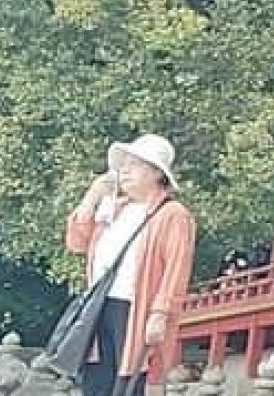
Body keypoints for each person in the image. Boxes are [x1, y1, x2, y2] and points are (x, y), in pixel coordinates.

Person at [65, 134, 197, 396]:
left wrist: (160, 313)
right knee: (96, 381)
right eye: (123, 165)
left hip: (136, 307)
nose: (124, 170)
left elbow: (176, 269)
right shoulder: (115, 209)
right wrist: (91, 199)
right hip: (100, 305)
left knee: (128, 381)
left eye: (134, 164)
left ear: (157, 173)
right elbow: (77, 243)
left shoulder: (173, 214)